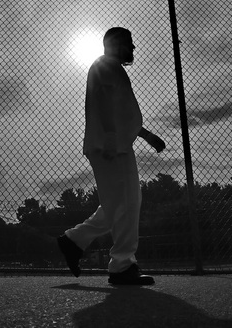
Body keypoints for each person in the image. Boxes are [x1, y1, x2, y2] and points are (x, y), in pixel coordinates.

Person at [57, 27, 166, 285]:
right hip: (111, 145)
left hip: (114, 143)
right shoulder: (107, 65)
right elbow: (104, 101)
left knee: (119, 203)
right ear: (115, 44)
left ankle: (73, 241)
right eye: (129, 43)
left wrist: (146, 135)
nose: (133, 48)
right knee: (127, 202)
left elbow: (120, 112)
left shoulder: (109, 67)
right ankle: (122, 266)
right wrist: (108, 137)